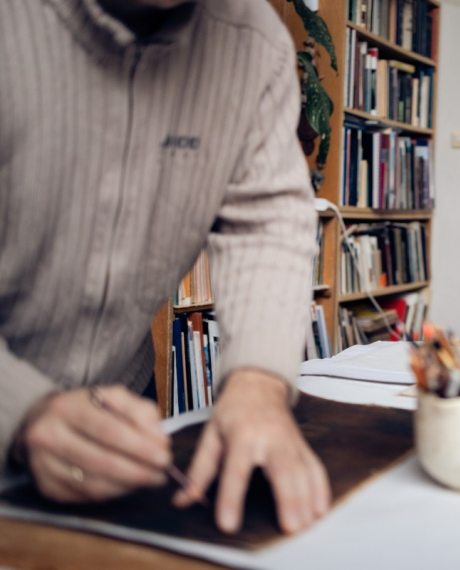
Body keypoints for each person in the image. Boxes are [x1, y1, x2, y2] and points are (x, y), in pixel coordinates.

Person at [0, 0, 330, 535]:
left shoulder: (257, 45)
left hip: (120, 429)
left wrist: (257, 382)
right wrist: (18, 409)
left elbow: (266, 223)